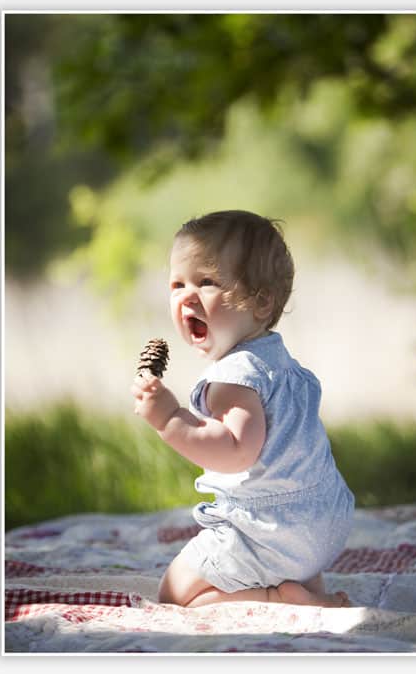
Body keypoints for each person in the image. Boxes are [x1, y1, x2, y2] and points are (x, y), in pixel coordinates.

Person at [131, 210, 354, 608]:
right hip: (324, 522)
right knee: (276, 550)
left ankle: (277, 596)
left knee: (175, 591)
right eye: (177, 284)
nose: (186, 296)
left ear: (261, 302)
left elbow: (236, 451)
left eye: (207, 282)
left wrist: (169, 419)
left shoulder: (235, 375)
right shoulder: (280, 362)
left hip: (270, 531)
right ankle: (305, 586)